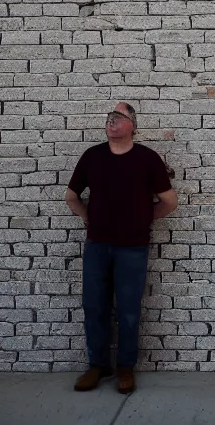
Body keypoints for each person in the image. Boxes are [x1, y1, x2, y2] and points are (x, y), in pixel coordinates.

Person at [65, 102, 178, 394]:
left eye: (119, 117)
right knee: (94, 306)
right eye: (109, 117)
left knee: (128, 310)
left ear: (133, 125)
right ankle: (98, 365)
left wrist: (143, 219)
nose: (111, 122)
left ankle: (125, 368)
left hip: (132, 248)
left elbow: (169, 201)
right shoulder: (92, 157)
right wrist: (87, 216)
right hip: (97, 246)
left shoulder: (147, 159)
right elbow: (71, 196)